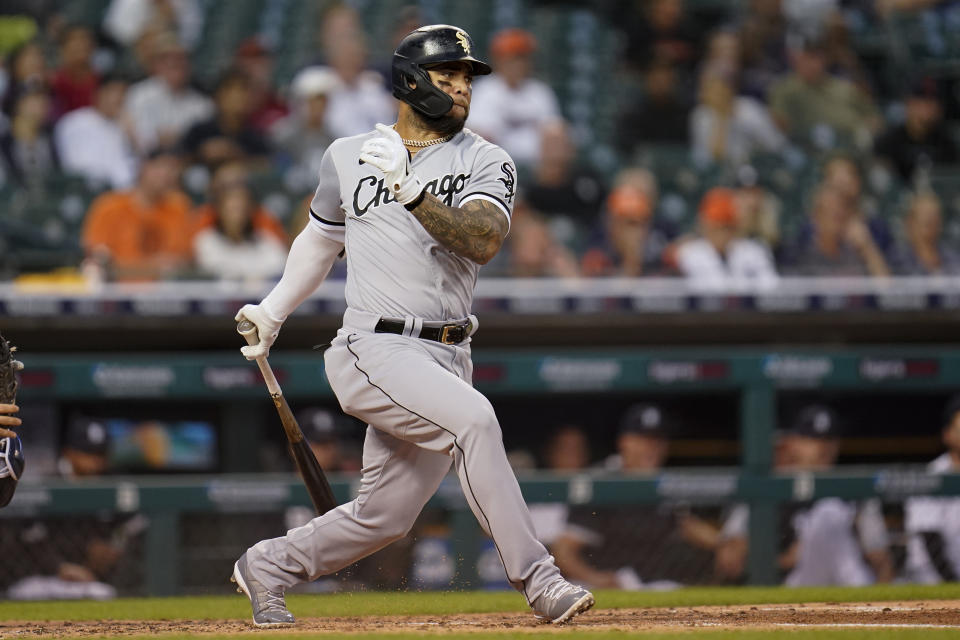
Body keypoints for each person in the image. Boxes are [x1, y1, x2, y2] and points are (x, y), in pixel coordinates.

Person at [230, 25, 594, 627]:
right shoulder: (347, 155)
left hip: (450, 351)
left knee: (385, 518)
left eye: (466, 79)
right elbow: (321, 239)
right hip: (374, 345)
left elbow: (483, 240)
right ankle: (540, 578)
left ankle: (267, 565)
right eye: (447, 76)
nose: (461, 90)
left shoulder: (487, 158)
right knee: (474, 421)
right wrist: (273, 311)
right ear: (410, 81)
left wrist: (409, 189)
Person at [715, 405, 893, 586]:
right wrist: (782, 559)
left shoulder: (856, 489)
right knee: (827, 513)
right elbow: (729, 556)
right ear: (794, 443)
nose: (823, 447)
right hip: (793, 584)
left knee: (829, 511)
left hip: (850, 579)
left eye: (830, 439)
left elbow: (879, 557)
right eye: (812, 438)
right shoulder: (773, 485)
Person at [551, 403, 718, 589]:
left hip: (654, 584)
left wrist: (724, 544)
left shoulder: (664, 481)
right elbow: (563, 550)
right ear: (624, 442)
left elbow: (685, 524)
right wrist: (595, 578)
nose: (653, 448)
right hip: (601, 587)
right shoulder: (601, 482)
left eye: (658, 440)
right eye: (644, 440)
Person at [81, 147, 193, 281]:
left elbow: (185, 260)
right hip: (117, 293)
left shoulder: (180, 207)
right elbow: (99, 263)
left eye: (174, 169)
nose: (167, 175)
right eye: (161, 166)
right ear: (144, 167)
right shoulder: (109, 206)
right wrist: (150, 267)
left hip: (166, 293)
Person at [467, 28, 562, 169]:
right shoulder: (485, 91)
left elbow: (554, 131)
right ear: (498, 60)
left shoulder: (540, 92)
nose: (519, 64)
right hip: (496, 167)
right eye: (513, 58)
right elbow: (479, 136)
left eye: (523, 58)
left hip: (538, 169)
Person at [767, 38, 881, 151]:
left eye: (817, 57)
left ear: (825, 60)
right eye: (807, 57)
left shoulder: (843, 86)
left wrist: (866, 130)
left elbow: (874, 116)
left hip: (859, 140)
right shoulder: (786, 89)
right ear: (796, 59)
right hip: (819, 146)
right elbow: (779, 124)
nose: (812, 64)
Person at [674, 187, 779, 291]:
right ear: (705, 225)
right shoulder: (689, 253)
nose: (722, 233)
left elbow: (772, 286)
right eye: (716, 226)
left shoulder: (754, 251)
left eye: (726, 227)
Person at [902, 395, 960, 583]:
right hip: (929, 578)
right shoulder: (931, 475)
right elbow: (930, 539)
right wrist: (953, 584)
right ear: (947, 434)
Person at [124, 33, 213, 153]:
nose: (175, 64)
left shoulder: (202, 104)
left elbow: (198, 143)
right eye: (168, 60)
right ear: (157, 65)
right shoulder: (139, 93)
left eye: (180, 59)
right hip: (143, 158)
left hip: (183, 161)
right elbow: (138, 138)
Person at [580, 168, 673, 277]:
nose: (637, 202)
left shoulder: (664, 227)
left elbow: (673, 274)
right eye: (631, 195)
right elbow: (597, 283)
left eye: (645, 195)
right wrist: (630, 258)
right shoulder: (601, 232)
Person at [783, 185, 891, 277]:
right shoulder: (799, 252)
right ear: (815, 217)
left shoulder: (856, 252)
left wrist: (867, 247)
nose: (837, 221)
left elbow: (888, 291)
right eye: (830, 213)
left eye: (841, 215)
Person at [54, 74, 137, 189]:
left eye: (123, 94)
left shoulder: (121, 128)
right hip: (86, 191)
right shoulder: (75, 122)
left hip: (120, 195)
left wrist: (132, 138)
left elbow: (129, 170)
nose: (120, 99)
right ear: (100, 94)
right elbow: (78, 168)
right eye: (115, 93)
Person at [192, 183, 287, 281]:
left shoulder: (265, 239)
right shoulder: (207, 240)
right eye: (232, 209)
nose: (237, 216)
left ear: (250, 211)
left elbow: (281, 265)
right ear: (220, 210)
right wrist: (255, 275)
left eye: (242, 209)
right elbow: (215, 269)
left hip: (261, 295)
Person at [690, 71, 786, 166]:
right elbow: (702, 155)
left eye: (718, 90)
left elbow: (775, 143)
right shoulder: (700, 116)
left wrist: (742, 123)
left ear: (729, 90)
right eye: (708, 91)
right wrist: (721, 121)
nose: (715, 96)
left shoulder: (748, 108)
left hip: (755, 166)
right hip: (713, 172)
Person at [180, 69, 271, 170]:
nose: (242, 97)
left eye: (246, 91)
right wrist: (201, 154)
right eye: (235, 90)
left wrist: (235, 153)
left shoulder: (256, 136)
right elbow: (179, 162)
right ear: (219, 96)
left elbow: (267, 165)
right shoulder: (200, 131)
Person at [875, 77, 959, 183]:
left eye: (932, 101)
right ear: (908, 103)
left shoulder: (947, 143)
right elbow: (880, 182)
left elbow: (952, 182)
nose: (927, 108)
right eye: (921, 100)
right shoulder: (888, 141)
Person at [0, 85, 58, 187]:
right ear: (17, 104)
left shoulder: (50, 136)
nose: (43, 103)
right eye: (35, 98)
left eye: (44, 99)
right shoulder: (4, 144)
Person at [48, 24, 99, 118]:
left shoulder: (101, 82)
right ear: (62, 48)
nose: (81, 44)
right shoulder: (53, 83)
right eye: (74, 40)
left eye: (84, 39)